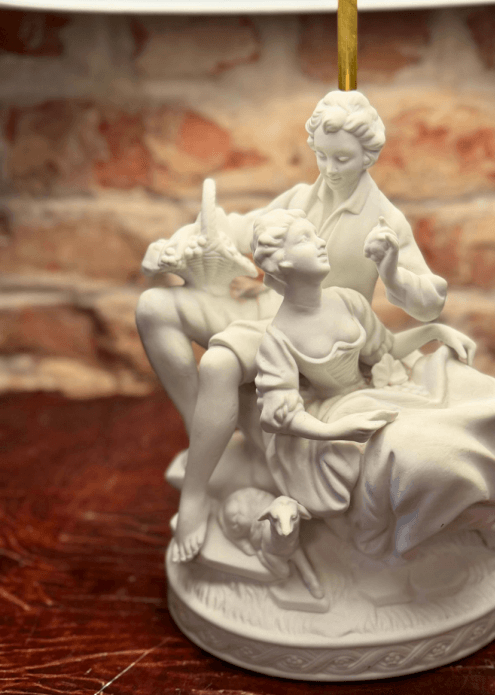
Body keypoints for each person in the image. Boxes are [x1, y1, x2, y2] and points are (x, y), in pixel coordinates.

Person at [155, 91, 449, 562]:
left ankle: (195, 493)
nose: (329, 168)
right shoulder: (299, 198)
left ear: (368, 155)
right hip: (267, 310)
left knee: (218, 365)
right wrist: (184, 240)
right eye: (322, 155)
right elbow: (240, 228)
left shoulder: (384, 220)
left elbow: (429, 301)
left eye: (342, 158)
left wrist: (391, 269)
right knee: (154, 308)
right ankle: (208, 439)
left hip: (313, 332)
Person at [253, 210, 495, 560]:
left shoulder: (346, 300)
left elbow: (386, 349)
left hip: (374, 388)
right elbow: (278, 415)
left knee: (471, 392)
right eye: (305, 239)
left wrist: (436, 331)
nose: (320, 243)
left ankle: (489, 508)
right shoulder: (278, 337)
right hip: (336, 417)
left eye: (316, 234)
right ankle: (449, 521)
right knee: (422, 452)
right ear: (282, 262)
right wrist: (336, 431)